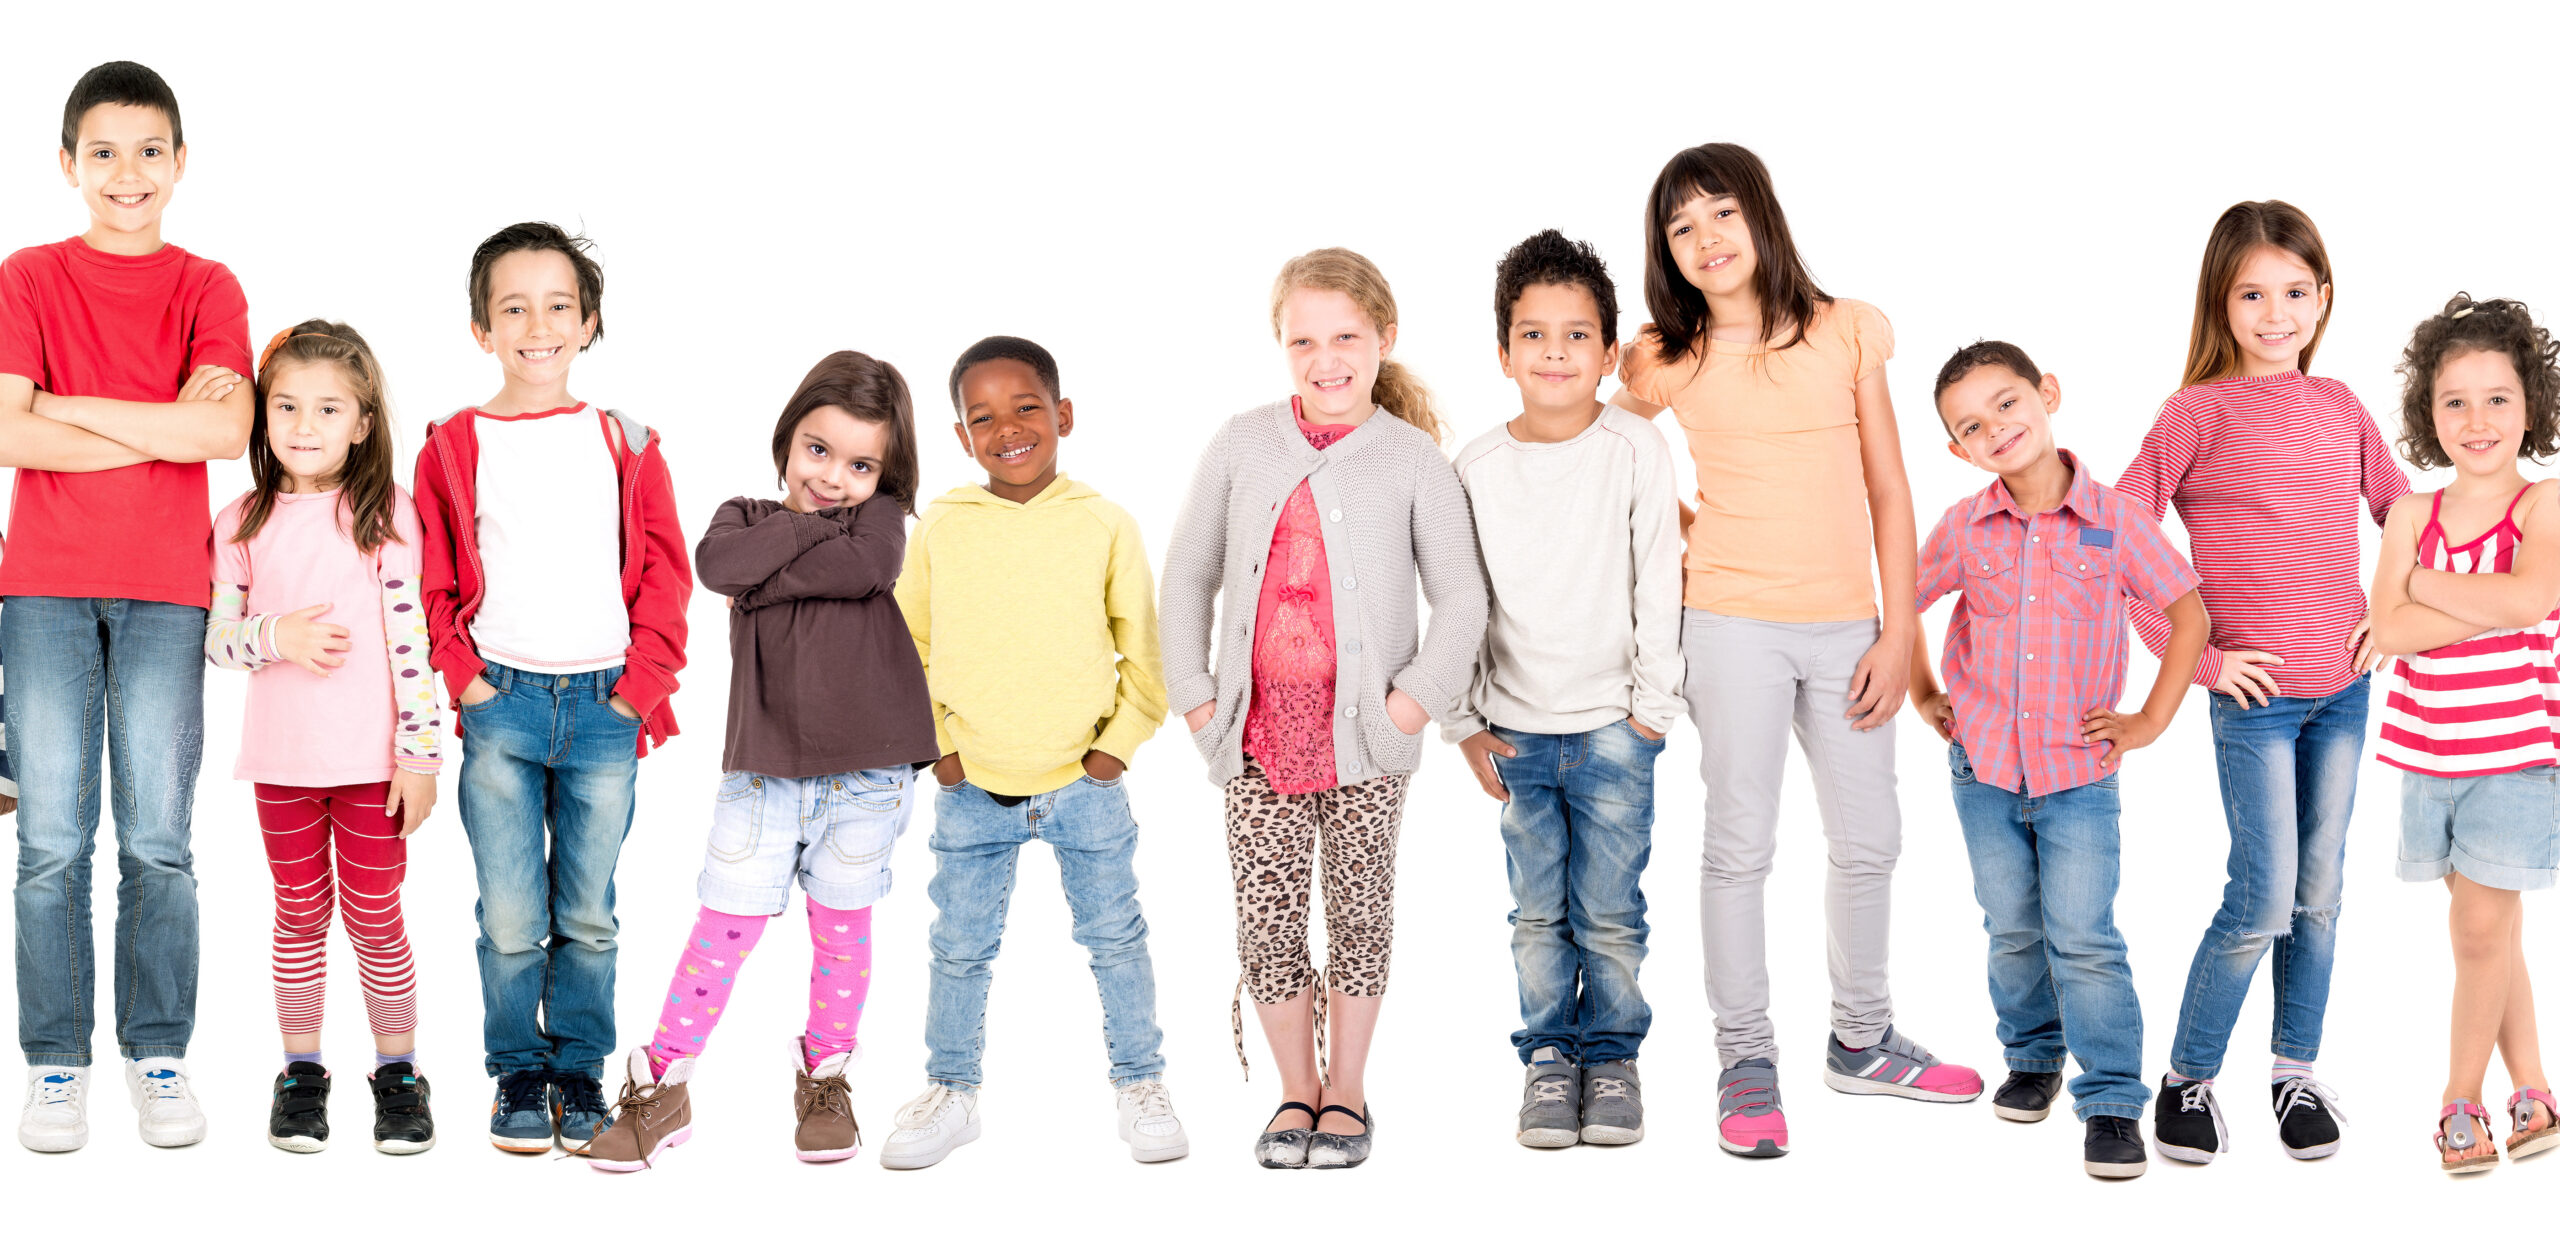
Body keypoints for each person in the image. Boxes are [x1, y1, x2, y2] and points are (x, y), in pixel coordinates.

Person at [1609, 141, 1979, 1159]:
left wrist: (1900, 630)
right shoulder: (1663, 355)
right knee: (1739, 846)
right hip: (1728, 628)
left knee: (1870, 839)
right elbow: (1611, 460)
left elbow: (1889, 489)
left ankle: (1861, 1039)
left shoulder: (1844, 330)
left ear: (1760, 215)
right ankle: (1744, 1059)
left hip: (1849, 627)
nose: (1703, 239)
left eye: (1718, 213)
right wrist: (1686, 537)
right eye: (1679, 228)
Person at [1161, 248, 1489, 1169]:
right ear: (1282, 345)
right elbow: (1188, 572)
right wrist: (1195, 699)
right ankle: (1292, 1095)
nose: (1325, 358)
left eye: (1346, 336)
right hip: (1255, 736)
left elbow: (1461, 599)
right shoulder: (1241, 440)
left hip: (1371, 744)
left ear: (1385, 339)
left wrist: (1411, 706)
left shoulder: (1414, 460)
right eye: (1303, 339)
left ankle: (1346, 1090)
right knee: (1265, 917)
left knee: (1360, 910)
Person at [583, 350, 937, 1171]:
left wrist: (770, 575)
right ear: (787, 440)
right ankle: (663, 1084)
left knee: (842, 934)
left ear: (884, 474)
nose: (834, 477)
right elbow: (720, 567)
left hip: (870, 773)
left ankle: (825, 1077)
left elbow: (866, 566)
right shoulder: (738, 515)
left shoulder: (881, 521)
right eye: (818, 450)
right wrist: (781, 557)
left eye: (860, 464)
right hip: (764, 768)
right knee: (722, 930)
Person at [2116, 200, 2408, 1163]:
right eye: (2252, 294)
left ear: (2323, 299)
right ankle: (2188, 1078)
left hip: (2345, 690)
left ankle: (2294, 1070)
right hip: (2257, 702)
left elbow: (2401, 510)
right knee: (2264, 893)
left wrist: (2393, 610)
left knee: (2320, 891)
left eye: (2294, 292)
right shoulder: (2195, 411)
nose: (2275, 313)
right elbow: (2120, 536)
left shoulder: (2341, 406)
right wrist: (2197, 660)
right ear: (2221, 301)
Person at [1, 61, 253, 1153]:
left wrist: (64, 404)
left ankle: (159, 1051)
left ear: (180, 162)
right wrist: (149, 417)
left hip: (166, 589)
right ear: (67, 164)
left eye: (150, 149)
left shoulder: (209, 286)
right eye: (102, 151)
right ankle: (57, 1063)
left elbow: (217, 435)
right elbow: (7, 435)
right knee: (53, 839)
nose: (127, 172)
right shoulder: (27, 276)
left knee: (157, 839)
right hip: (44, 582)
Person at [413, 222, 692, 1153]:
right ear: (480, 329)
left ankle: (578, 1064)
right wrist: (468, 683)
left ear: (590, 320)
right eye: (514, 308)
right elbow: (435, 582)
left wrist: (640, 687)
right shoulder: (453, 444)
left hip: (608, 704)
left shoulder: (626, 439)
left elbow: (665, 572)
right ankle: (517, 1073)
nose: (539, 326)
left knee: (587, 912)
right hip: (504, 703)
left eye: (559, 306)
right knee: (508, 914)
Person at [882, 335, 1186, 1169]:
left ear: (1064, 415)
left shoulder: (1104, 522)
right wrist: (939, 751)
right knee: (959, 947)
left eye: (1026, 408)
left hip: (1084, 785)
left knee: (1116, 936)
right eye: (984, 417)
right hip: (972, 785)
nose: (1008, 428)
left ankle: (1141, 1081)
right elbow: (904, 644)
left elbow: (1145, 655)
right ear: (960, 436)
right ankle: (952, 1091)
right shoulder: (941, 526)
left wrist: (1114, 751)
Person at [1909, 340, 2211, 1178]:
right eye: (1972, 424)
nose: (1996, 428)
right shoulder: (1966, 526)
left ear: (2047, 393)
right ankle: (2033, 1054)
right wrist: (1923, 692)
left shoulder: (2117, 520)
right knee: (2011, 928)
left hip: (2080, 777)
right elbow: (1899, 605)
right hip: (1986, 772)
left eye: (2007, 403)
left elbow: (2188, 614)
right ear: (1956, 448)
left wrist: (2149, 719)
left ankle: (2112, 1095)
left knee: (2083, 935)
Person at [1448, 230, 1680, 1149]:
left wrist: (1651, 710)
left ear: (1609, 352)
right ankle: (1550, 1057)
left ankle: (1613, 1056)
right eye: (1533, 335)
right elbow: (1459, 601)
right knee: (1538, 908)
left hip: (1616, 726)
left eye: (1577, 335)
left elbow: (1659, 577)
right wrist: (1466, 722)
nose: (1555, 353)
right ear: (1503, 354)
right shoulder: (1474, 467)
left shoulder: (1633, 451)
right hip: (1515, 729)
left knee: (1612, 908)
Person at [208, 321, 441, 1154]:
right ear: (263, 415)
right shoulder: (241, 519)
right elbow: (218, 636)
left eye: (329, 408)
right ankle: (301, 1071)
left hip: (373, 766)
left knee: (377, 919)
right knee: (299, 917)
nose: (305, 424)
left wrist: (420, 756)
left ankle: (400, 1071)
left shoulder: (385, 515)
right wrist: (278, 636)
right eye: (288, 405)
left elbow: (413, 648)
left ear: (363, 422)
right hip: (283, 765)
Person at [2366, 294, 2560, 1174]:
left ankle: (2459, 1099)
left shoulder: (2544, 503)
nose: (2477, 420)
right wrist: (2460, 600)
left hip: (2515, 756)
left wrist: (2427, 588)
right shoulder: (2410, 512)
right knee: (2490, 928)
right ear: (2426, 412)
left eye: (2497, 398)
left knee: (2481, 931)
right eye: (2455, 401)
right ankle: (2535, 1087)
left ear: (2531, 406)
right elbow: (2386, 633)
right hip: (2430, 753)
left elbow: (2531, 600)